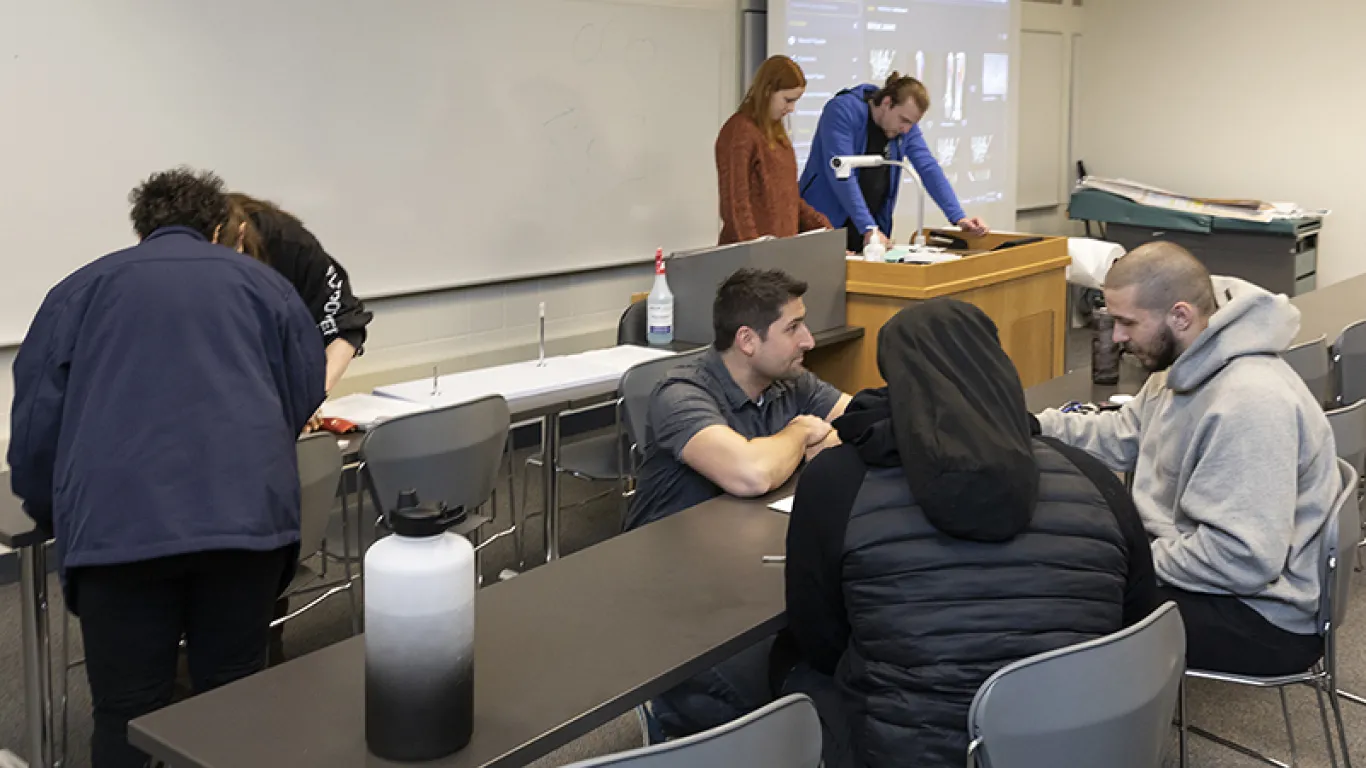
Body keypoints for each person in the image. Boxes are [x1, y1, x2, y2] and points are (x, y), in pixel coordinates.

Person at [7, 167, 325, 768]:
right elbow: (303, 390)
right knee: (233, 698)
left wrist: (54, 512)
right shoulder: (265, 288)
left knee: (126, 711)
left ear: (141, 229)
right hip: (245, 528)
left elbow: (34, 427)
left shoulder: (78, 291)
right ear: (218, 228)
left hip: (117, 535)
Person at [780, 299, 1157, 767]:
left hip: (907, 753)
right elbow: (1135, 620)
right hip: (1073, 746)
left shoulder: (837, 481)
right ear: (999, 366)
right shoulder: (1093, 478)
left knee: (789, 676)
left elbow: (819, 636)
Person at [1036, 241, 1340, 677]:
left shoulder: (1249, 402)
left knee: (1060, 600)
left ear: (1179, 316)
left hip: (1264, 617)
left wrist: (1126, 559)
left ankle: (1096, 738)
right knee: (1064, 568)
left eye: (1126, 322)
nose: (1116, 337)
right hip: (1214, 577)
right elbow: (1122, 434)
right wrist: (1033, 425)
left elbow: (1242, 559)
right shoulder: (1183, 365)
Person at [626, 267, 851, 741]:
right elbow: (749, 473)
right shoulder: (681, 391)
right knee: (765, 701)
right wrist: (797, 434)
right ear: (747, 340)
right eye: (793, 328)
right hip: (672, 592)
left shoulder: (793, 384)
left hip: (749, 570)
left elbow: (861, 427)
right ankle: (667, 720)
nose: (808, 340)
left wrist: (801, 443)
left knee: (835, 666)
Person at [799, 72, 988, 254]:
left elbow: (928, 167)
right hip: (826, 223)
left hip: (870, 229)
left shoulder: (904, 129)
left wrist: (959, 218)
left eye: (911, 124)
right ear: (887, 102)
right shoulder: (842, 110)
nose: (906, 130)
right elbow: (841, 175)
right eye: (903, 120)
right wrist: (868, 227)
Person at [217, 192, 372, 394]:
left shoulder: (288, 244)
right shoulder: (176, 258)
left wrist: (311, 399)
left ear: (240, 236)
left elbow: (344, 323)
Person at [714, 55, 831, 245]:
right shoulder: (740, 131)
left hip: (778, 253)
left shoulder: (777, 134)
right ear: (768, 91)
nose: (791, 108)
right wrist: (755, 251)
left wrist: (825, 230)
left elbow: (790, 198)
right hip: (750, 259)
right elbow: (736, 204)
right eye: (787, 100)